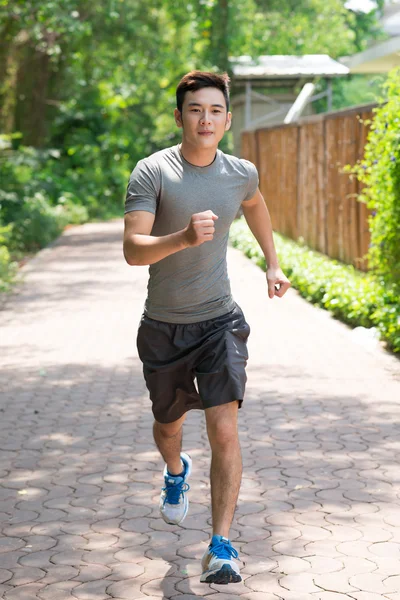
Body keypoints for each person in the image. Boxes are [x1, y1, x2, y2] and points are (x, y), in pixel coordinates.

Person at [123, 71, 290, 585]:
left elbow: (255, 203)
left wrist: (272, 262)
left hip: (220, 320)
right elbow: (133, 250)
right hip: (164, 327)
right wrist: (182, 238)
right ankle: (176, 473)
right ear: (180, 117)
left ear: (227, 119)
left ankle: (220, 546)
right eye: (196, 110)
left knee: (224, 428)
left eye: (215, 110)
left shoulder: (239, 172)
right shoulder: (153, 172)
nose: (206, 119)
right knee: (169, 427)